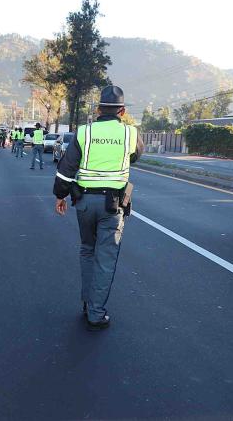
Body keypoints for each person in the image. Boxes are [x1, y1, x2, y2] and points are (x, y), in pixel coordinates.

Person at [53, 85, 144, 331]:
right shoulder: (131, 134)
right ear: (122, 111)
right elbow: (135, 156)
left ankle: (87, 302)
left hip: (84, 203)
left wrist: (60, 196)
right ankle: (95, 312)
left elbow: (66, 169)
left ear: (99, 110)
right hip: (112, 207)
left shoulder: (84, 132)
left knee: (87, 250)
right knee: (105, 258)